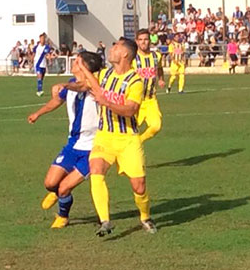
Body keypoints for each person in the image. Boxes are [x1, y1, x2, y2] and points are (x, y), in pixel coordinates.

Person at [74, 38, 156, 236]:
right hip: (104, 137)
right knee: (96, 169)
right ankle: (105, 221)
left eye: (116, 47)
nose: (112, 49)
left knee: (139, 186)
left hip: (128, 139)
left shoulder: (135, 81)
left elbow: (130, 110)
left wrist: (106, 102)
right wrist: (68, 84)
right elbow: (91, 85)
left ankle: (145, 216)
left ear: (125, 54)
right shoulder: (105, 74)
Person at [27, 52, 104, 228]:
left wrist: (65, 85)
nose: (73, 63)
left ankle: (63, 216)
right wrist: (38, 113)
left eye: (77, 61)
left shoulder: (96, 85)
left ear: (85, 66)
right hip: (72, 144)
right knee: (50, 183)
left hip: (93, 149)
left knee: (64, 188)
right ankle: (57, 193)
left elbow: (83, 86)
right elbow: (56, 101)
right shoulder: (70, 85)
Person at [133, 29, 166, 143]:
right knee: (127, 130)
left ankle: (138, 141)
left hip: (150, 100)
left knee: (156, 126)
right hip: (135, 100)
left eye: (146, 39)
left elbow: (160, 69)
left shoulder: (156, 56)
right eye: (140, 40)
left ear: (150, 41)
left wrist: (161, 79)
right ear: (136, 41)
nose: (143, 42)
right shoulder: (132, 58)